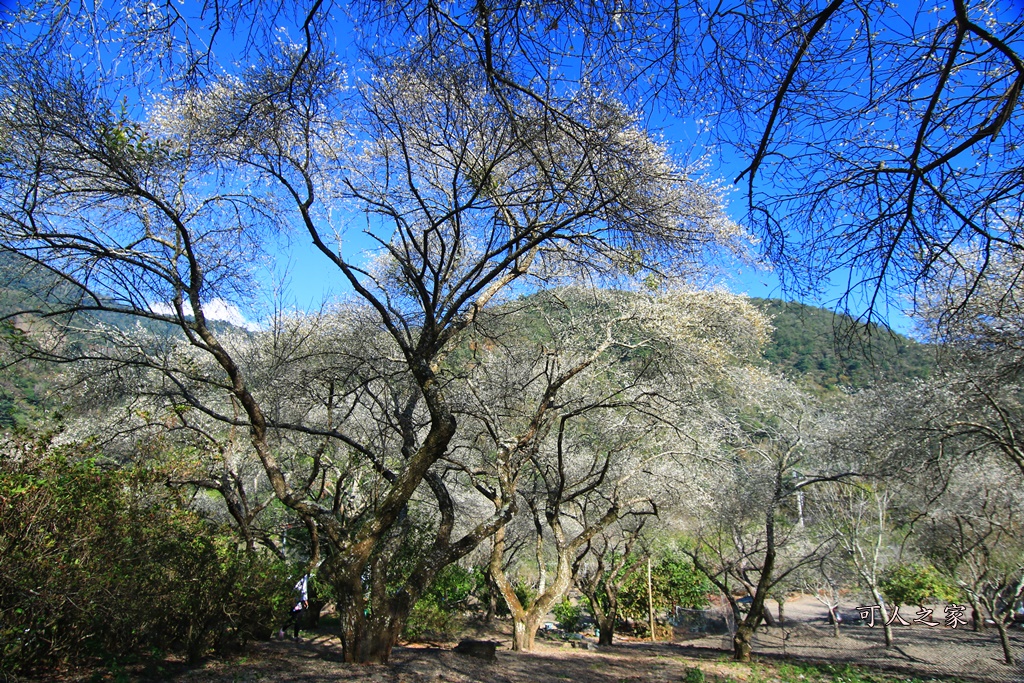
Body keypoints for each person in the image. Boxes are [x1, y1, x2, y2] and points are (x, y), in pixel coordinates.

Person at [279, 574, 309, 640]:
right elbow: (304, 588)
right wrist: (305, 600)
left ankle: (284, 630)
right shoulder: (304, 575)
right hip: (298, 600)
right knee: (296, 618)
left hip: (293, 598)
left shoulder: (294, 572)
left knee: (294, 617)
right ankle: (289, 633)